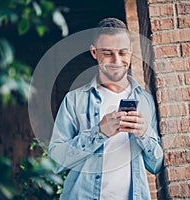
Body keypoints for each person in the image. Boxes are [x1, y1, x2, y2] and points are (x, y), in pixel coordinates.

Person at [48, 17, 163, 200]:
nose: (116, 60)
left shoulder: (146, 100)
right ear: (94, 52)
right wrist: (99, 132)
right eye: (108, 53)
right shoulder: (74, 100)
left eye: (122, 52)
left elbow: (156, 165)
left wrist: (144, 133)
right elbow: (55, 161)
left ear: (131, 52)